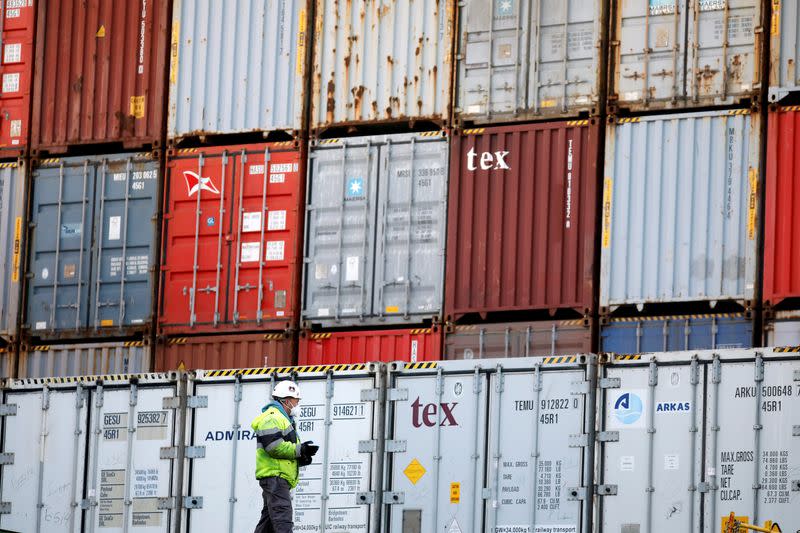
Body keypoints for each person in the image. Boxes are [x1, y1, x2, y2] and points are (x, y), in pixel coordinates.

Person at [252, 380, 319, 533]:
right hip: (276, 479)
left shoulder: (283, 419)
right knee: (283, 521)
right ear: (287, 400)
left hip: (277, 479)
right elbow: (274, 447)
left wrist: (303, 455)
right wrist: (299, 449)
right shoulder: (272, 417)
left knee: (267, 524)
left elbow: (283, 451)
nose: (298, 404)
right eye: (297, 401)